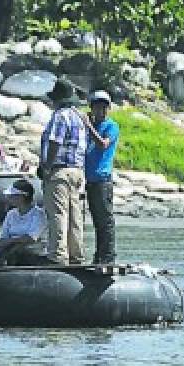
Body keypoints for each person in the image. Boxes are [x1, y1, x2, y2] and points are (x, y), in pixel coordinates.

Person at [38, 79, 89, 265]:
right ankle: (76, 254)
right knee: (75, 215)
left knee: (58, 213)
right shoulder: (79, 117)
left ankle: (58, 255)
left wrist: (47, 167)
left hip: (60, 171)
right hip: (77, 171)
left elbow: (55, 142)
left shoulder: (60, 116)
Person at [0, 179, 47, 266]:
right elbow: (5, 236)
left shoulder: (39, 214)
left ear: (22, 197)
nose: (9, 198)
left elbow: (30, 238)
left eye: (12, 195)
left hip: (32, 249)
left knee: (11, 250)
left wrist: (7, 242)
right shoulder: (11, 214)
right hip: (12, 246)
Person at [83, 89, 119, 264]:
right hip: (90, 181)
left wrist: (89, 127)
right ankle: (99, 256)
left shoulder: (111, 126)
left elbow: (104, 144)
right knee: (97, 220)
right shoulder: (91, 128)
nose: (101, 111)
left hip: (102, 179)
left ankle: (108, 256)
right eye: (97, 107)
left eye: (104, 107)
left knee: (106, 220)